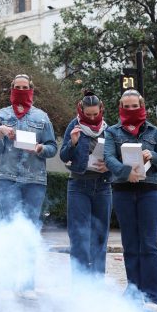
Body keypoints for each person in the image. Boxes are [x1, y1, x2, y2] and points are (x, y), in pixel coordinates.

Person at [104, 88, 157, 312]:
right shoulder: (112, 132)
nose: (131, 109)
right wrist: (126, 173)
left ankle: (155, 297)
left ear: (142, 106)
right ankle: (134, 292)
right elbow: (109, 158)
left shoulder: (154, 132)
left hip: (149, 191)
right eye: (127, 106)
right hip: (123, 191)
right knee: (130, 245)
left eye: (135, 106)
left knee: (149, 245)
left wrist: (153, 155)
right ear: (121, 108)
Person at [0, 74, 57, 226]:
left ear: (31, 90)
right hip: (7, 179)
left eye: (24, 88)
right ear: (12, 89)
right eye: (17, 88)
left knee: (31, 226)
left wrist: (41, 148)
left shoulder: (42, 117)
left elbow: (53, 147)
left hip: (35, 180)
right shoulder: (1, 116)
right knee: (10, 225)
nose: (21, 90)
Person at [59, 89, 111, 277]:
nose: (92, 118)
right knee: (79, 236)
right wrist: (72, 143)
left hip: (103, 185)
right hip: (78, 186)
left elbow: (117, 158)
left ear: (101, 109)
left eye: (95, 114)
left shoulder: (109, 129)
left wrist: (109, 165)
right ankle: (80, 284)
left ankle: (96, 283)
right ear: (81, 110)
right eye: (88, 115)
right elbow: (63, 156)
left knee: (100, 237)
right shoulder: (74, 125)